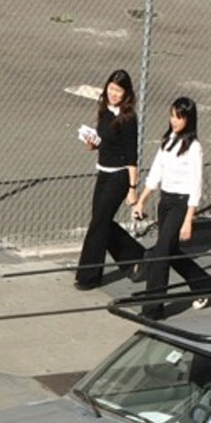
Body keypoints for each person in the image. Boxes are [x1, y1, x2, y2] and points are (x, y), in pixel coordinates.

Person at [132, 96, 209, 314]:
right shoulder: (168, 140)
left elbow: (196, 186)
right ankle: (203, 284)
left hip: (181, 204)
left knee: (162, 254)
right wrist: (142, 200)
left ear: (189, 119)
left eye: (180, 117)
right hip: (165, 201)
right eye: (172, 115)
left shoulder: (194, 148)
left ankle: (152, 309)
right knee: (170, 250)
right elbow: (156, 172)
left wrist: (188, 221)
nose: (174, 121)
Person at [74, 70, 146, 291]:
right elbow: (100, 143)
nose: (114, 94)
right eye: (111, 89)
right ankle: (135, 256)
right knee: (101, 221)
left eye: (118, 90)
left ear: (126, 94)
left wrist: (132, 188)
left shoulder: (128, 119)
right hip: (103, 173)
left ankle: (88, 276)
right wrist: (90, 142)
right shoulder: (105, 111)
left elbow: (132, 156)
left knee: (97, 225)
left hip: (119, 176)